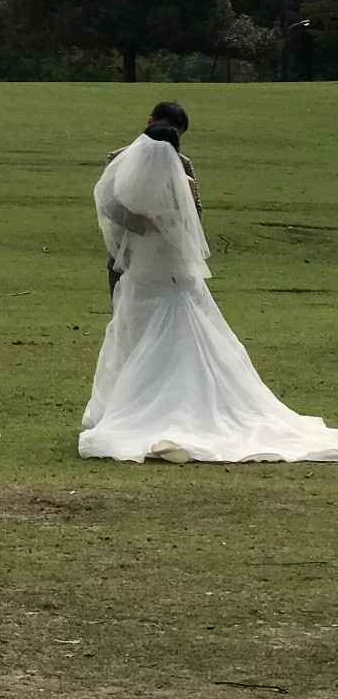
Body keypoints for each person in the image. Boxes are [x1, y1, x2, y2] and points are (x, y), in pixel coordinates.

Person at [80, 109, 338, 463]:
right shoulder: (156, 172)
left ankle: (145, 404)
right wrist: (150, 224)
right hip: (154, 267)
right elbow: (141, 211)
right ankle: (139, 402)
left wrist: (153, 226)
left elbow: (176, 212)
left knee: (143, 330)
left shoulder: (160, 173)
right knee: (147, 330)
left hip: (146, 267)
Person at [104, 100, 199, 299]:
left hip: (167, 255)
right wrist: (146, 224)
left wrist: (175, 231)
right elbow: (110, 205)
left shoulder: (183, 165)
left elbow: (195, 209)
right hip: (125, 251)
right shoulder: (118, 159)